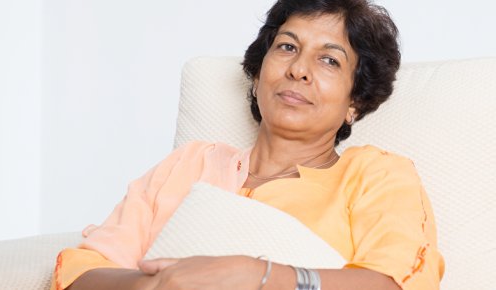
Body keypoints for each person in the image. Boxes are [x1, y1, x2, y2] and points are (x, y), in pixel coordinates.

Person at [52, 0, 445, 289]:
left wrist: (261, 275)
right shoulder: (189, 164)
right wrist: (159, 284)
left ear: (355, 103)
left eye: (329, 61)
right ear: (257, 76)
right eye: (288, 47)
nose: (298, 70)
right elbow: (81, 271)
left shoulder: (376, 175)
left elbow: (398, 283)